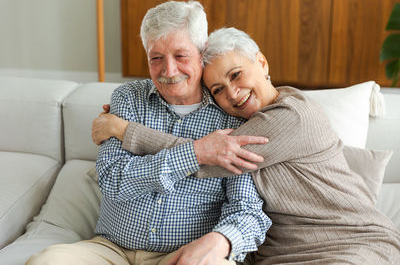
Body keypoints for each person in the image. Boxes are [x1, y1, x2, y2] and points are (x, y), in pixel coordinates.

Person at [92, 27, 400, 264]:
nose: (233, 93)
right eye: (218, 89)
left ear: (262, 62)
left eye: (236, 75)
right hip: (280, 255)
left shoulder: (293, 115)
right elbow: (203, 148)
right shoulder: (242, 124)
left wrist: (124, 130)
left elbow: (210, 156)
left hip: (352, 242)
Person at [26, 2, 272, 265]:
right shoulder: (128, 98)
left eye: (181, 56)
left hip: (181, 256)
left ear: (202, 54)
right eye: (156, 58)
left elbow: (247, 211)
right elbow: (113, 180)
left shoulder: (230, 115)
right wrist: (195, 153)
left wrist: (221, 241)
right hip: (111, 250)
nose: (169, 71)